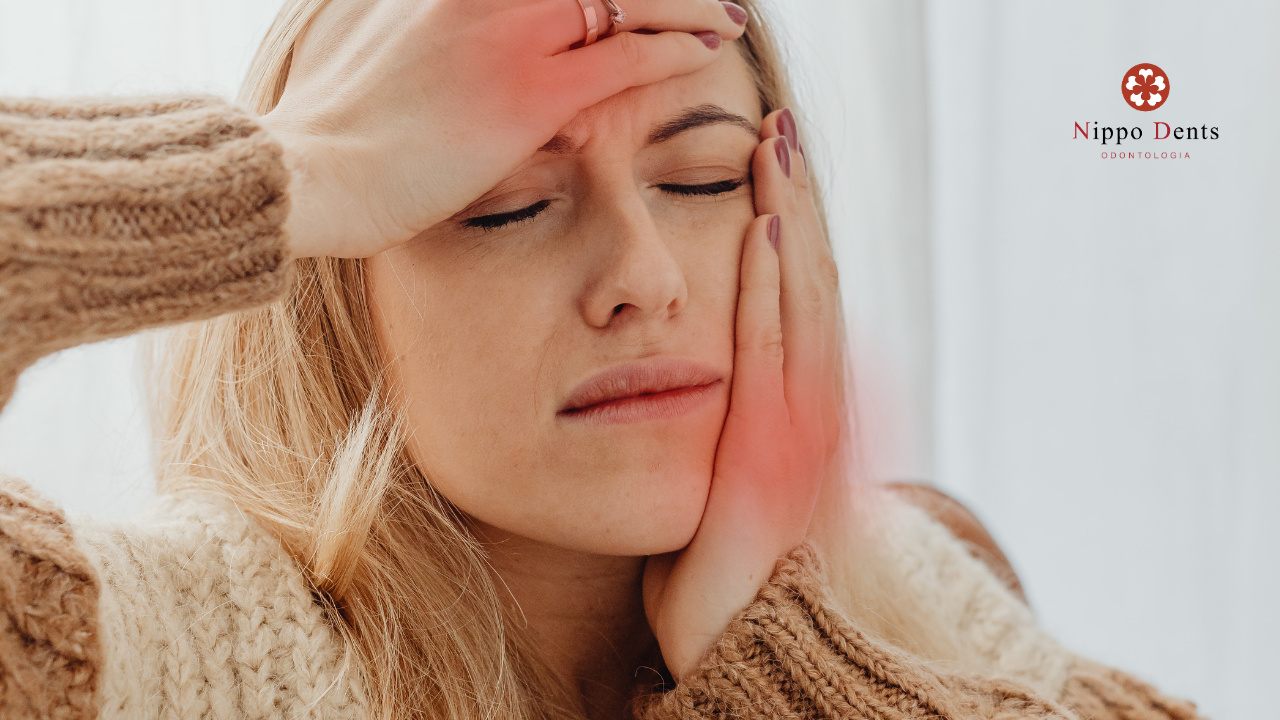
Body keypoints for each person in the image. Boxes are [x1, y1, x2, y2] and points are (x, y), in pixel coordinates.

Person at [0, 1, 1203, 719]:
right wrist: (274, 172)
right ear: (335, 290)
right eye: (504, 204)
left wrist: (784, 664)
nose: (645, 275)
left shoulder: (920, 578)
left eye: (702, 179)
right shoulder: (157, 652)